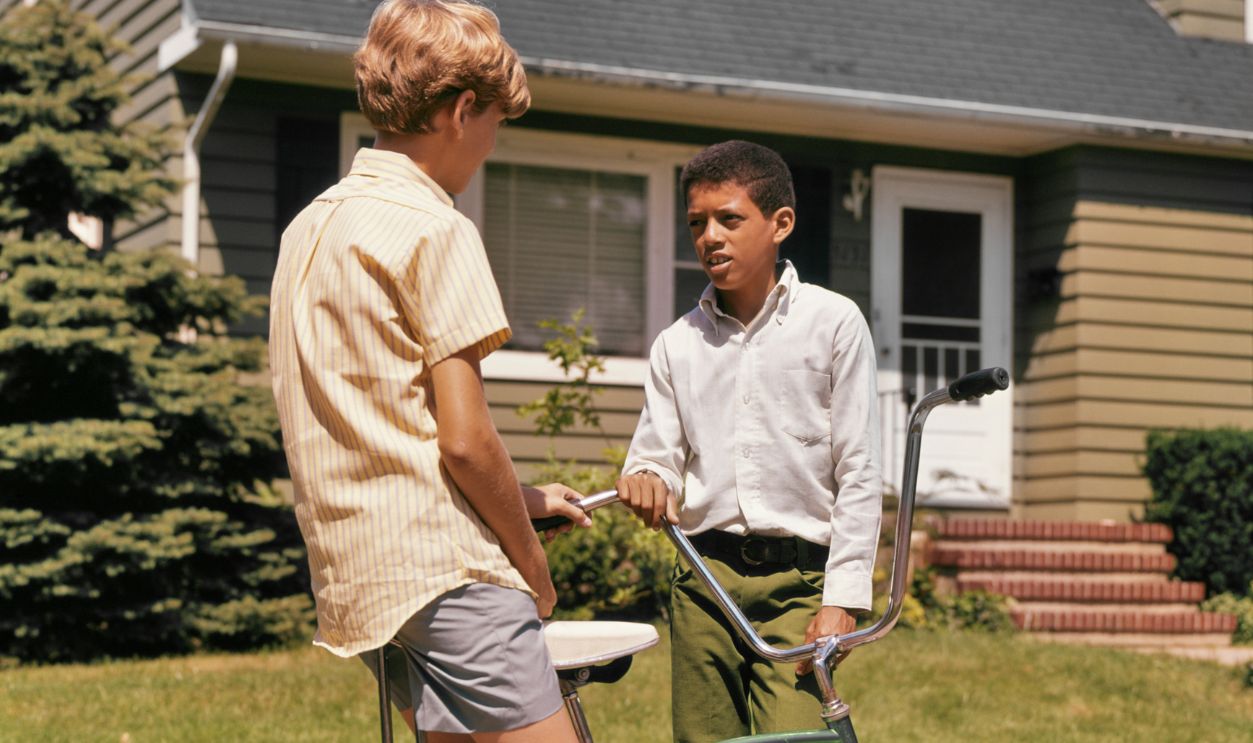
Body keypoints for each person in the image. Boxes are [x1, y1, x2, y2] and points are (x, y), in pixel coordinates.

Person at [268, 2, 588, 740]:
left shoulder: (308, 226)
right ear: (462, 109)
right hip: (448, 574)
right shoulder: (435, 227)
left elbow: (376, 416)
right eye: (493, 125)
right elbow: (464, 441)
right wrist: (532, 566)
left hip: (362, 577)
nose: (488, 148)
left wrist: (529, 496)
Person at [616, 140, 883, 742]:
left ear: (780, 223)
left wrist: (842, 596)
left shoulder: (833, 323)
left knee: (797, 735)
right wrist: (647, 481)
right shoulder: (676, 345)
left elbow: (860, 470)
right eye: (696, 223)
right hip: (704, 581)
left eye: (729, 219)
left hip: (800, 585)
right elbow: (655, 459)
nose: (710, 236)